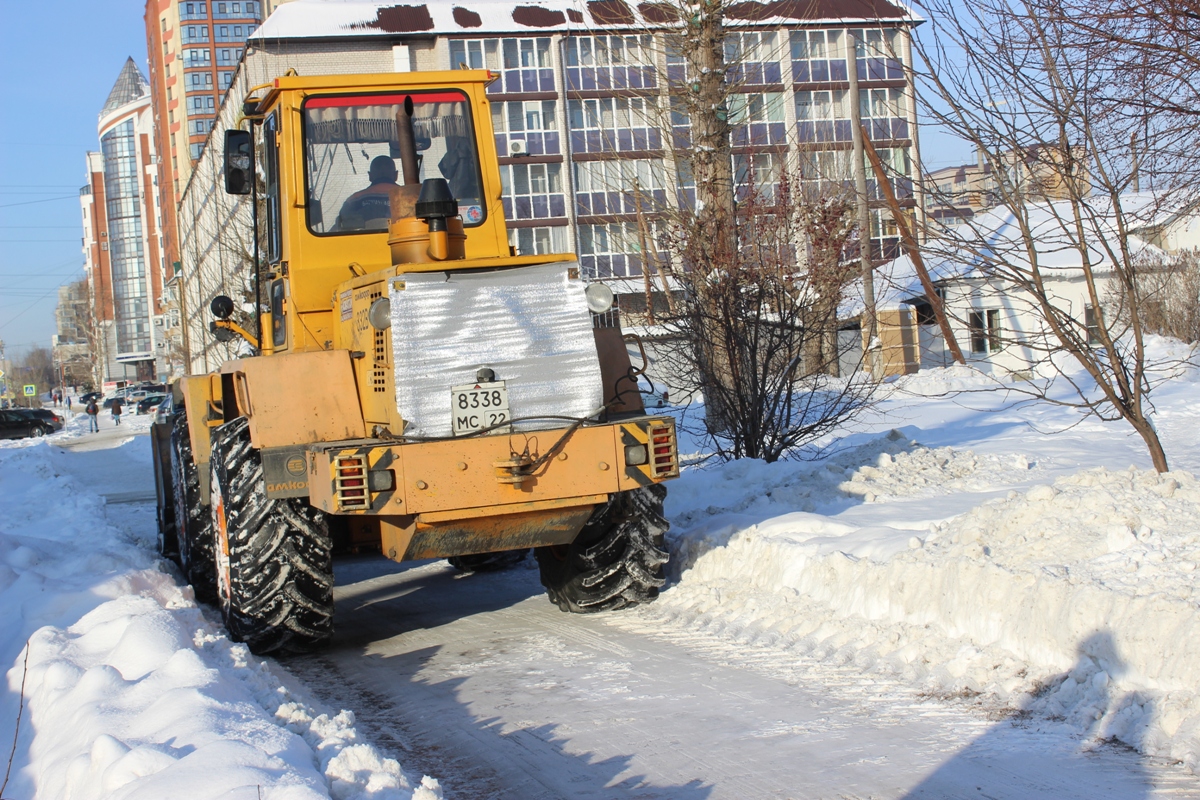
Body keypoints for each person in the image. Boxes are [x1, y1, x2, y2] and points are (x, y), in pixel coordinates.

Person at [335, 155, 398, 232]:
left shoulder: (354, 200)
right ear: (396, 175)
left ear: (370, 176)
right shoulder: (410, 197)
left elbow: (340, 227)